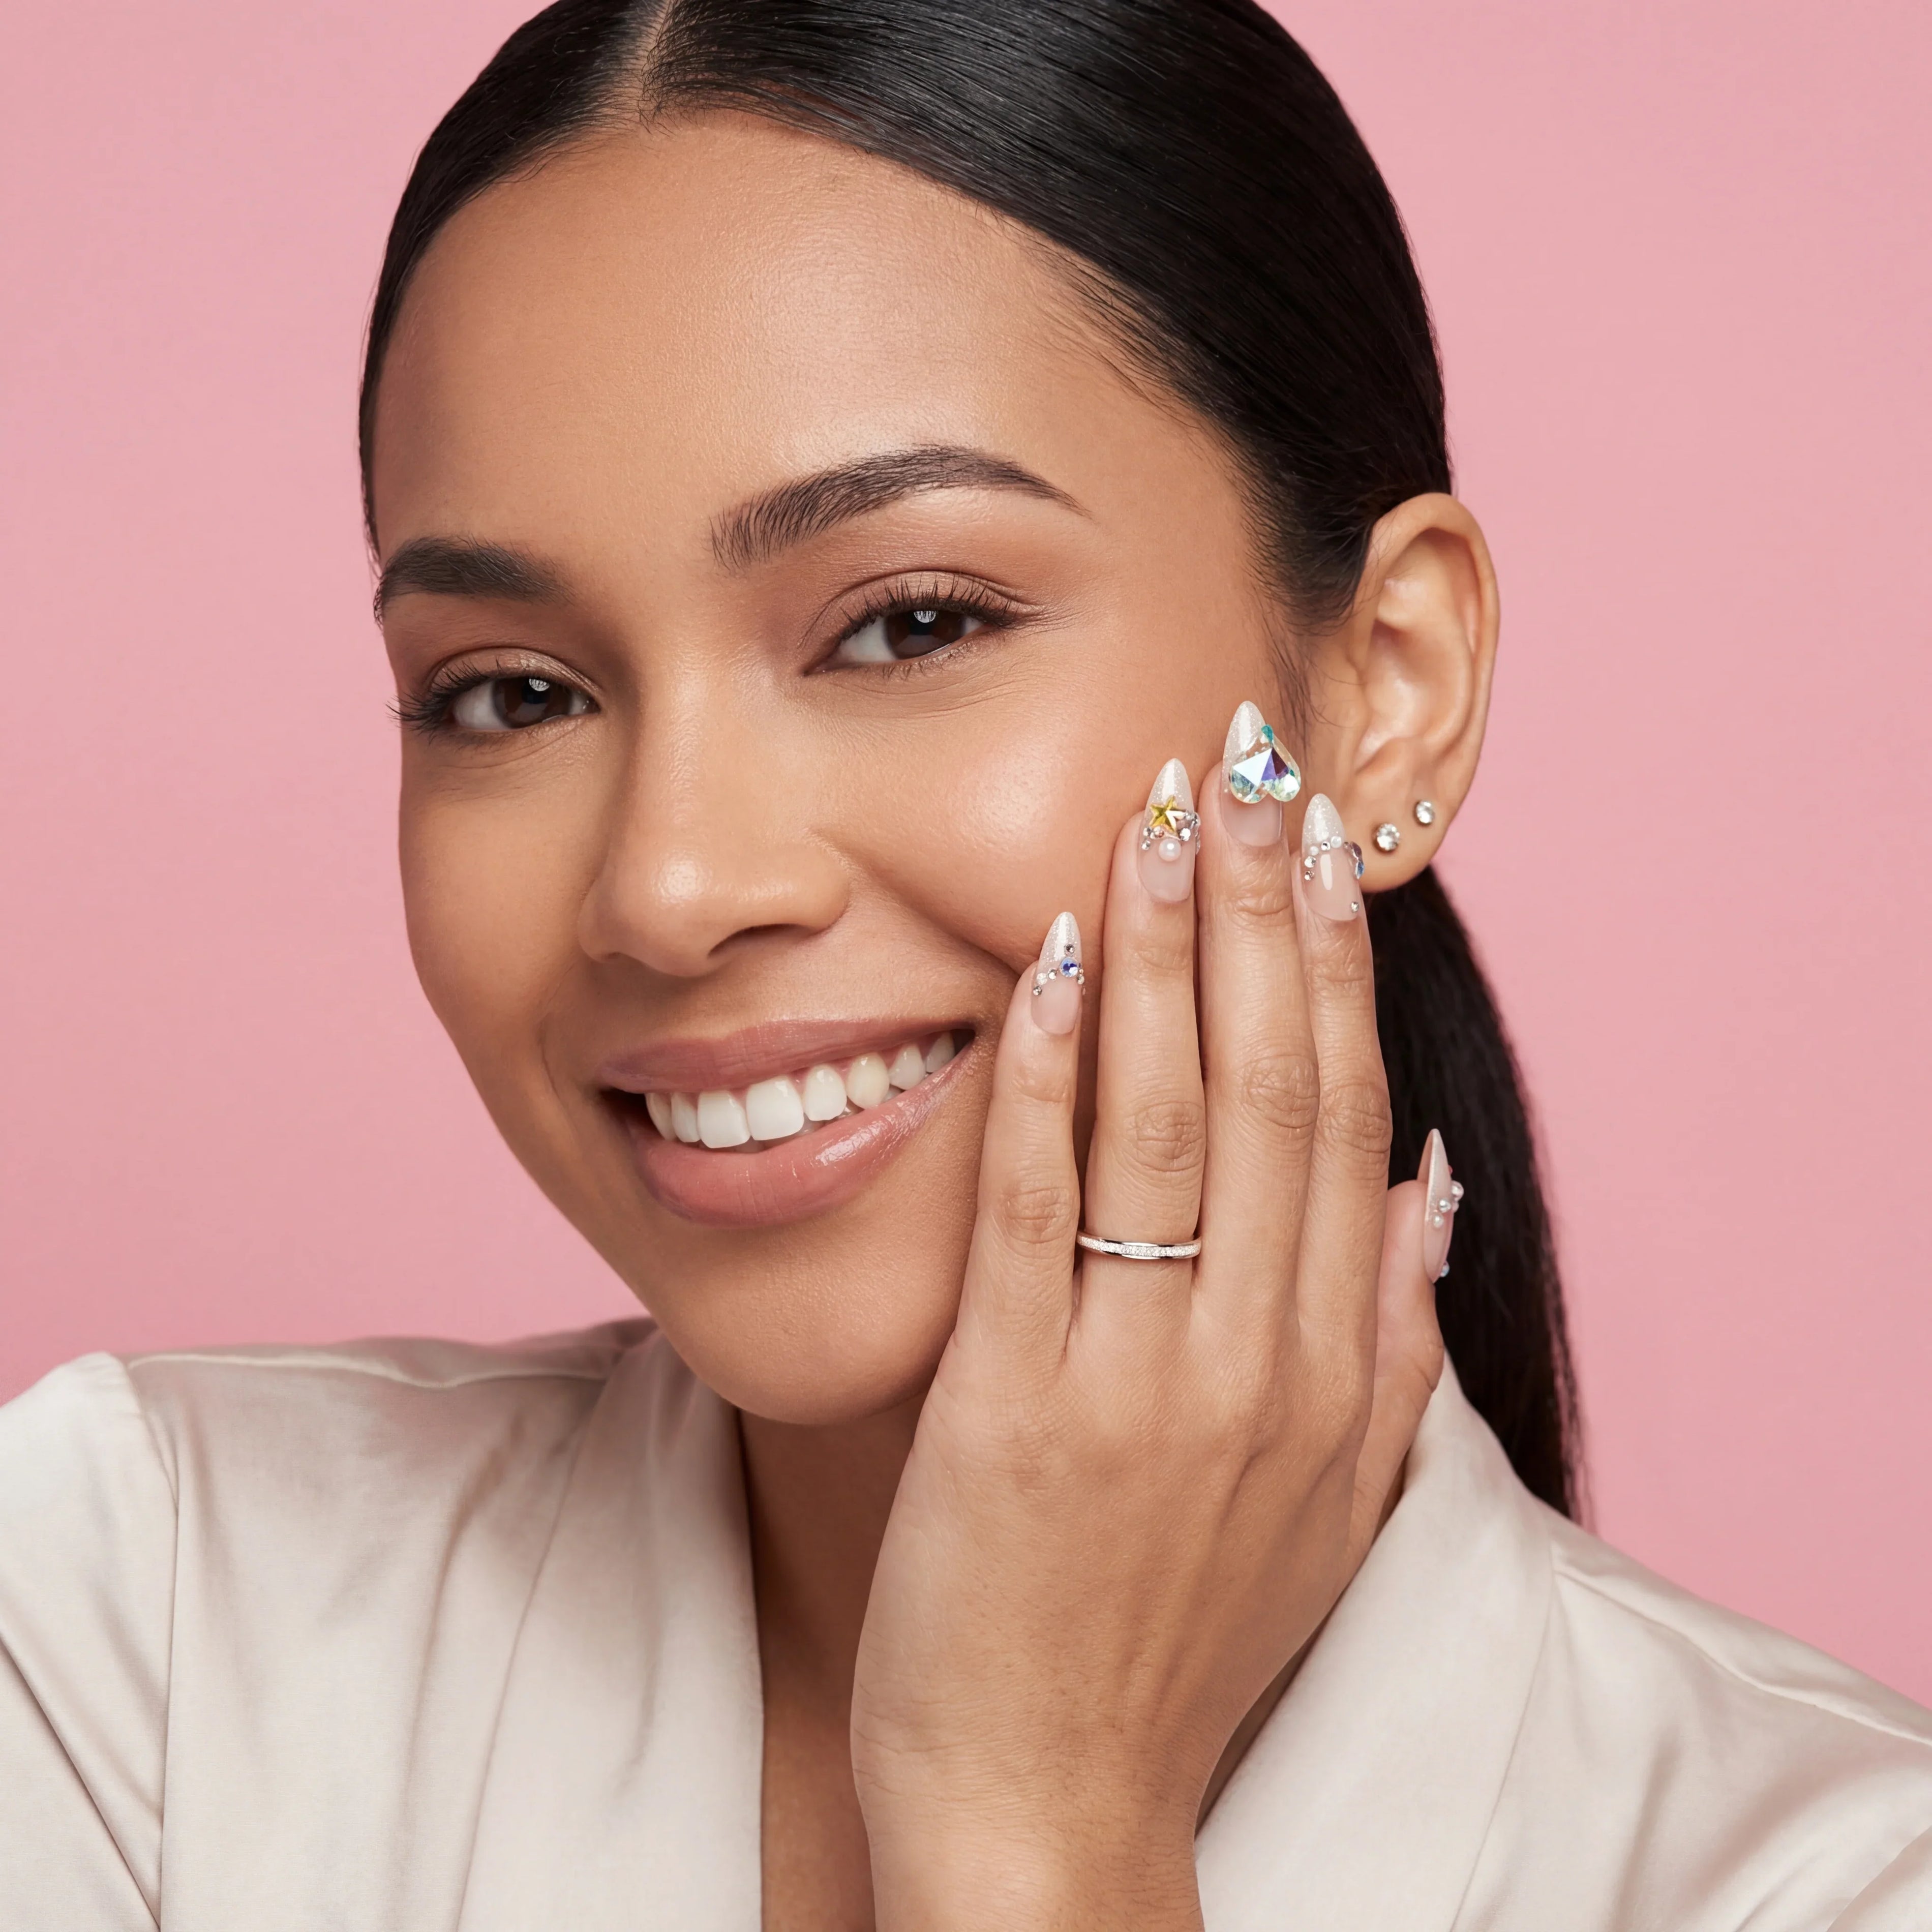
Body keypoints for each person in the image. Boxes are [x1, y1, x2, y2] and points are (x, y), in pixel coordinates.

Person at [3, 1, 1928, 1925]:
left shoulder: (1825, 1880)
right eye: (512, 692)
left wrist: (1035, 1823)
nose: (667, 887)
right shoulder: (133, 1638)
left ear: (1389, 694)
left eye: (910, 626)